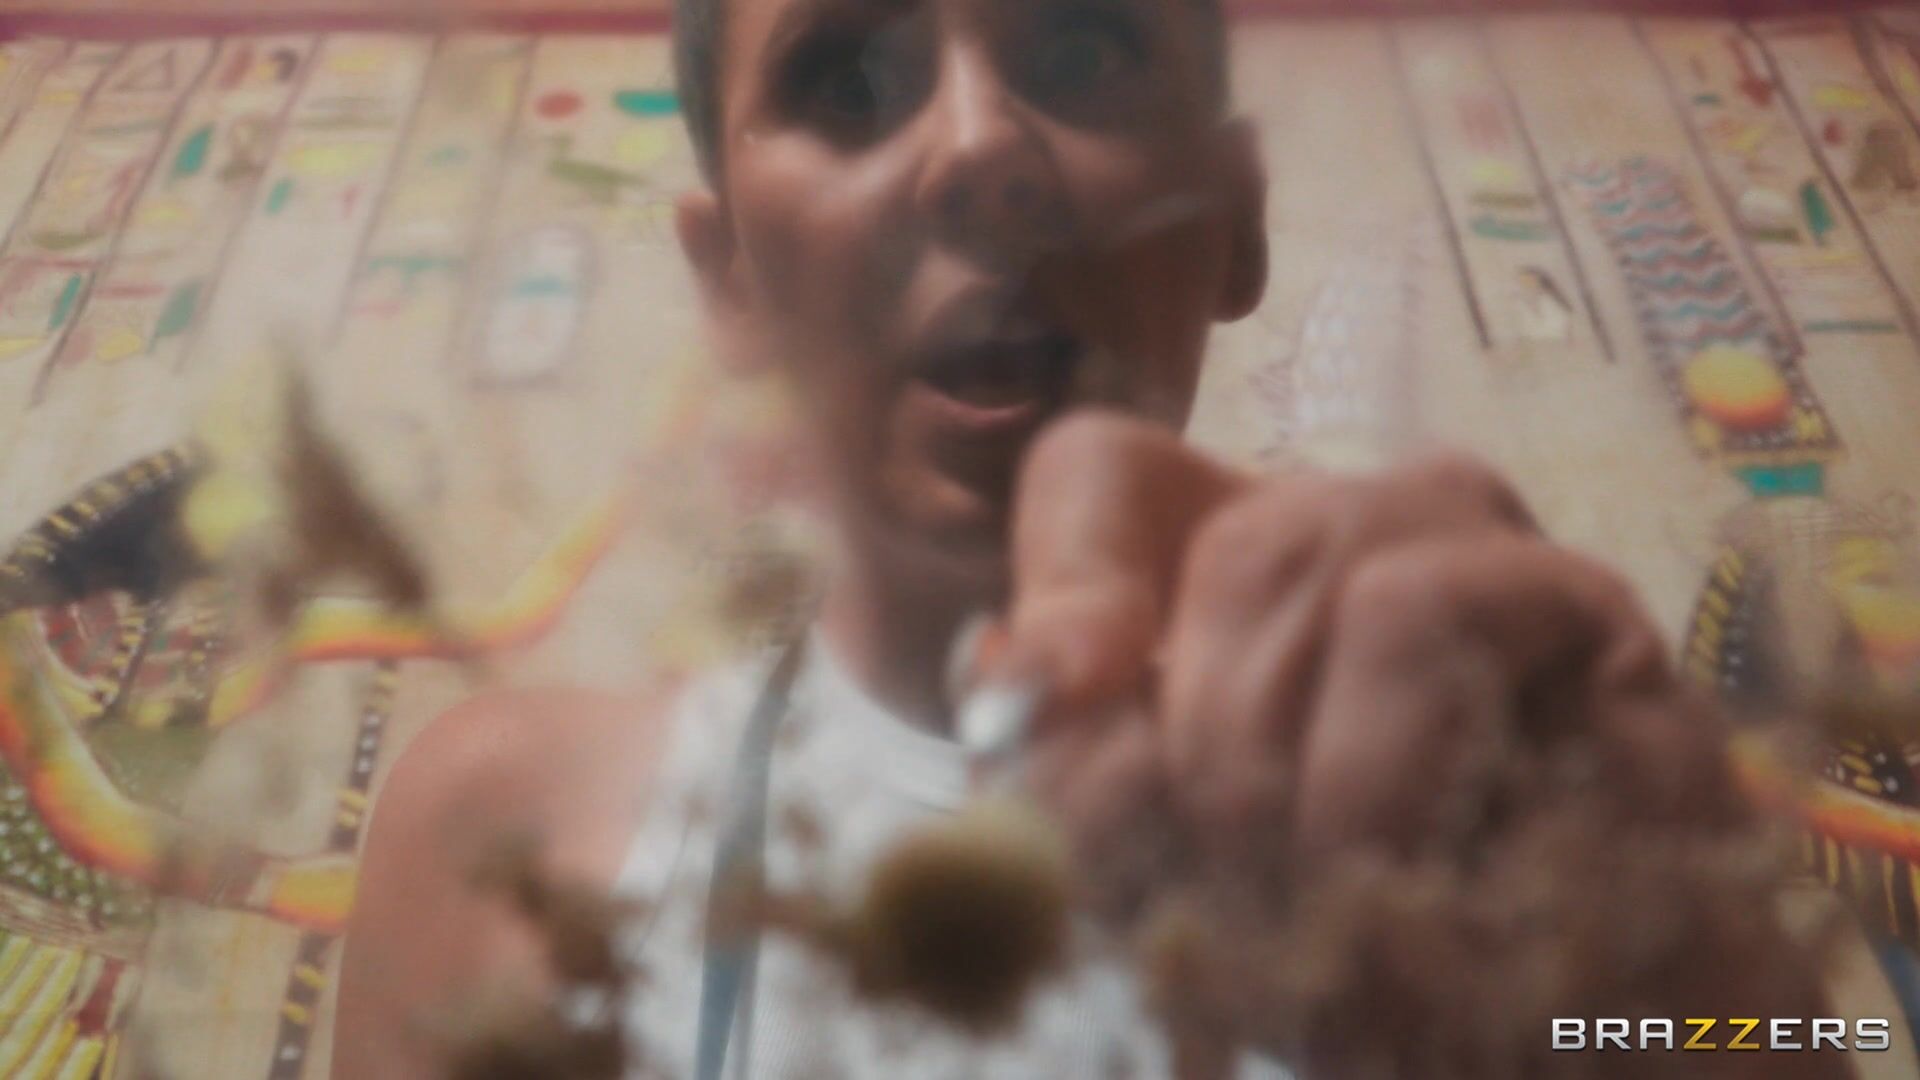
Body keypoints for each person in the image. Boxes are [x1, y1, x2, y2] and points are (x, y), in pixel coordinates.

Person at [332, 1, 1910, 1077]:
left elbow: (1767, 1046)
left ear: (1234, 216)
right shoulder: (507, 846)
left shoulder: (1490, 810)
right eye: (847, 77)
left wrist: (1684, 1009)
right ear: (731, 275)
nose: (976, 147)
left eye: (1083, 43)